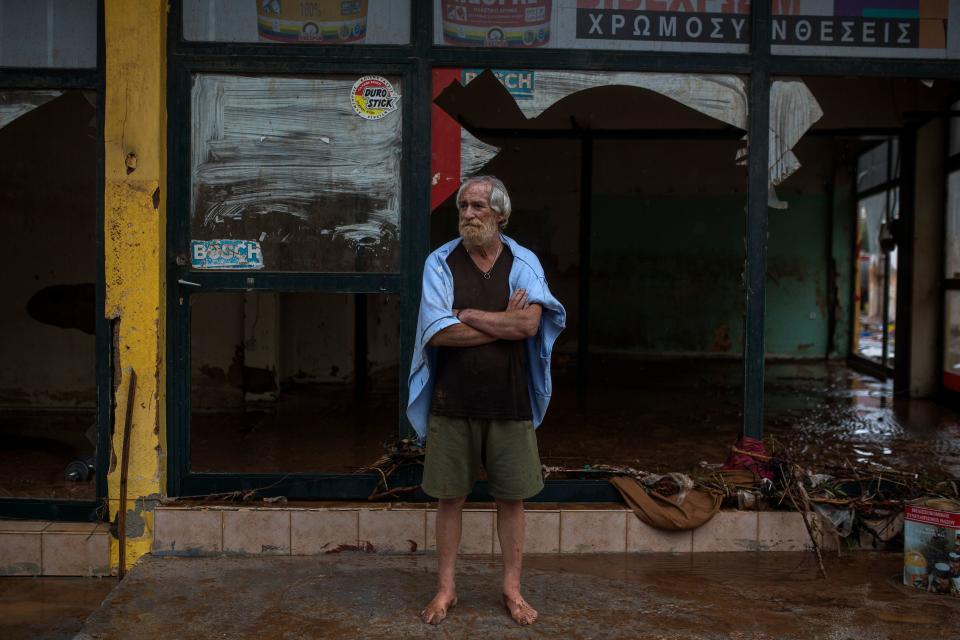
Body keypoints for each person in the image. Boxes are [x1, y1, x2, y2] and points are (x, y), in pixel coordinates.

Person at [407, 175, 565, 626]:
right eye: (463, 206)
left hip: (510, 400)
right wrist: (502, 321)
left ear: (501, 215)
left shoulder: (524, 262)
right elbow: (438, 332)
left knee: (512, 499)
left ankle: (512, 590)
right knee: (449, 498)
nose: (469, 214)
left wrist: (470, 315)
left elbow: (529, 327)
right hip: (451, 399)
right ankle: (446, 589)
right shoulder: (439, 263)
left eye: (478, 206)